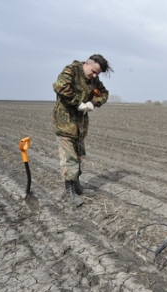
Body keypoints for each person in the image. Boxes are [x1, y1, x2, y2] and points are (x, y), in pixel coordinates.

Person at [52, 54, 113, 206]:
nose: (94, 76)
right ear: (87, 63)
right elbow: (59, 87)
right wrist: (77, 103)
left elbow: (104, 93)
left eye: (97, 74)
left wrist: (93, 102)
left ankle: (77, 186)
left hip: (80, 126)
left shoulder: (93, 79)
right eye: (93, 71)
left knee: (79, 157)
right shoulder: (71, 71)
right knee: (69, 159)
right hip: (65, 123)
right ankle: (70, 191)